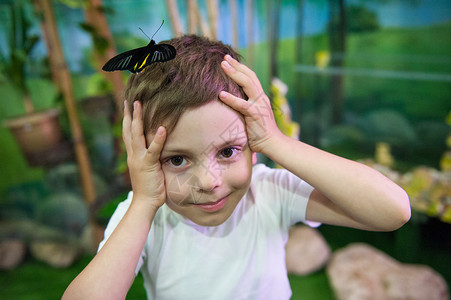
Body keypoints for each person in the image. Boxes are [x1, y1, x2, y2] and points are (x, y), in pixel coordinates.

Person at [63, 35, 411, 300]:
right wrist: (142, 203)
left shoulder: (271, 192)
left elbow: (393, 211)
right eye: (177, 159)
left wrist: (277, 142)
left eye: (228, 151)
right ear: (143, 158)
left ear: (252, 146)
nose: (209, 182)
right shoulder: (142, 215)